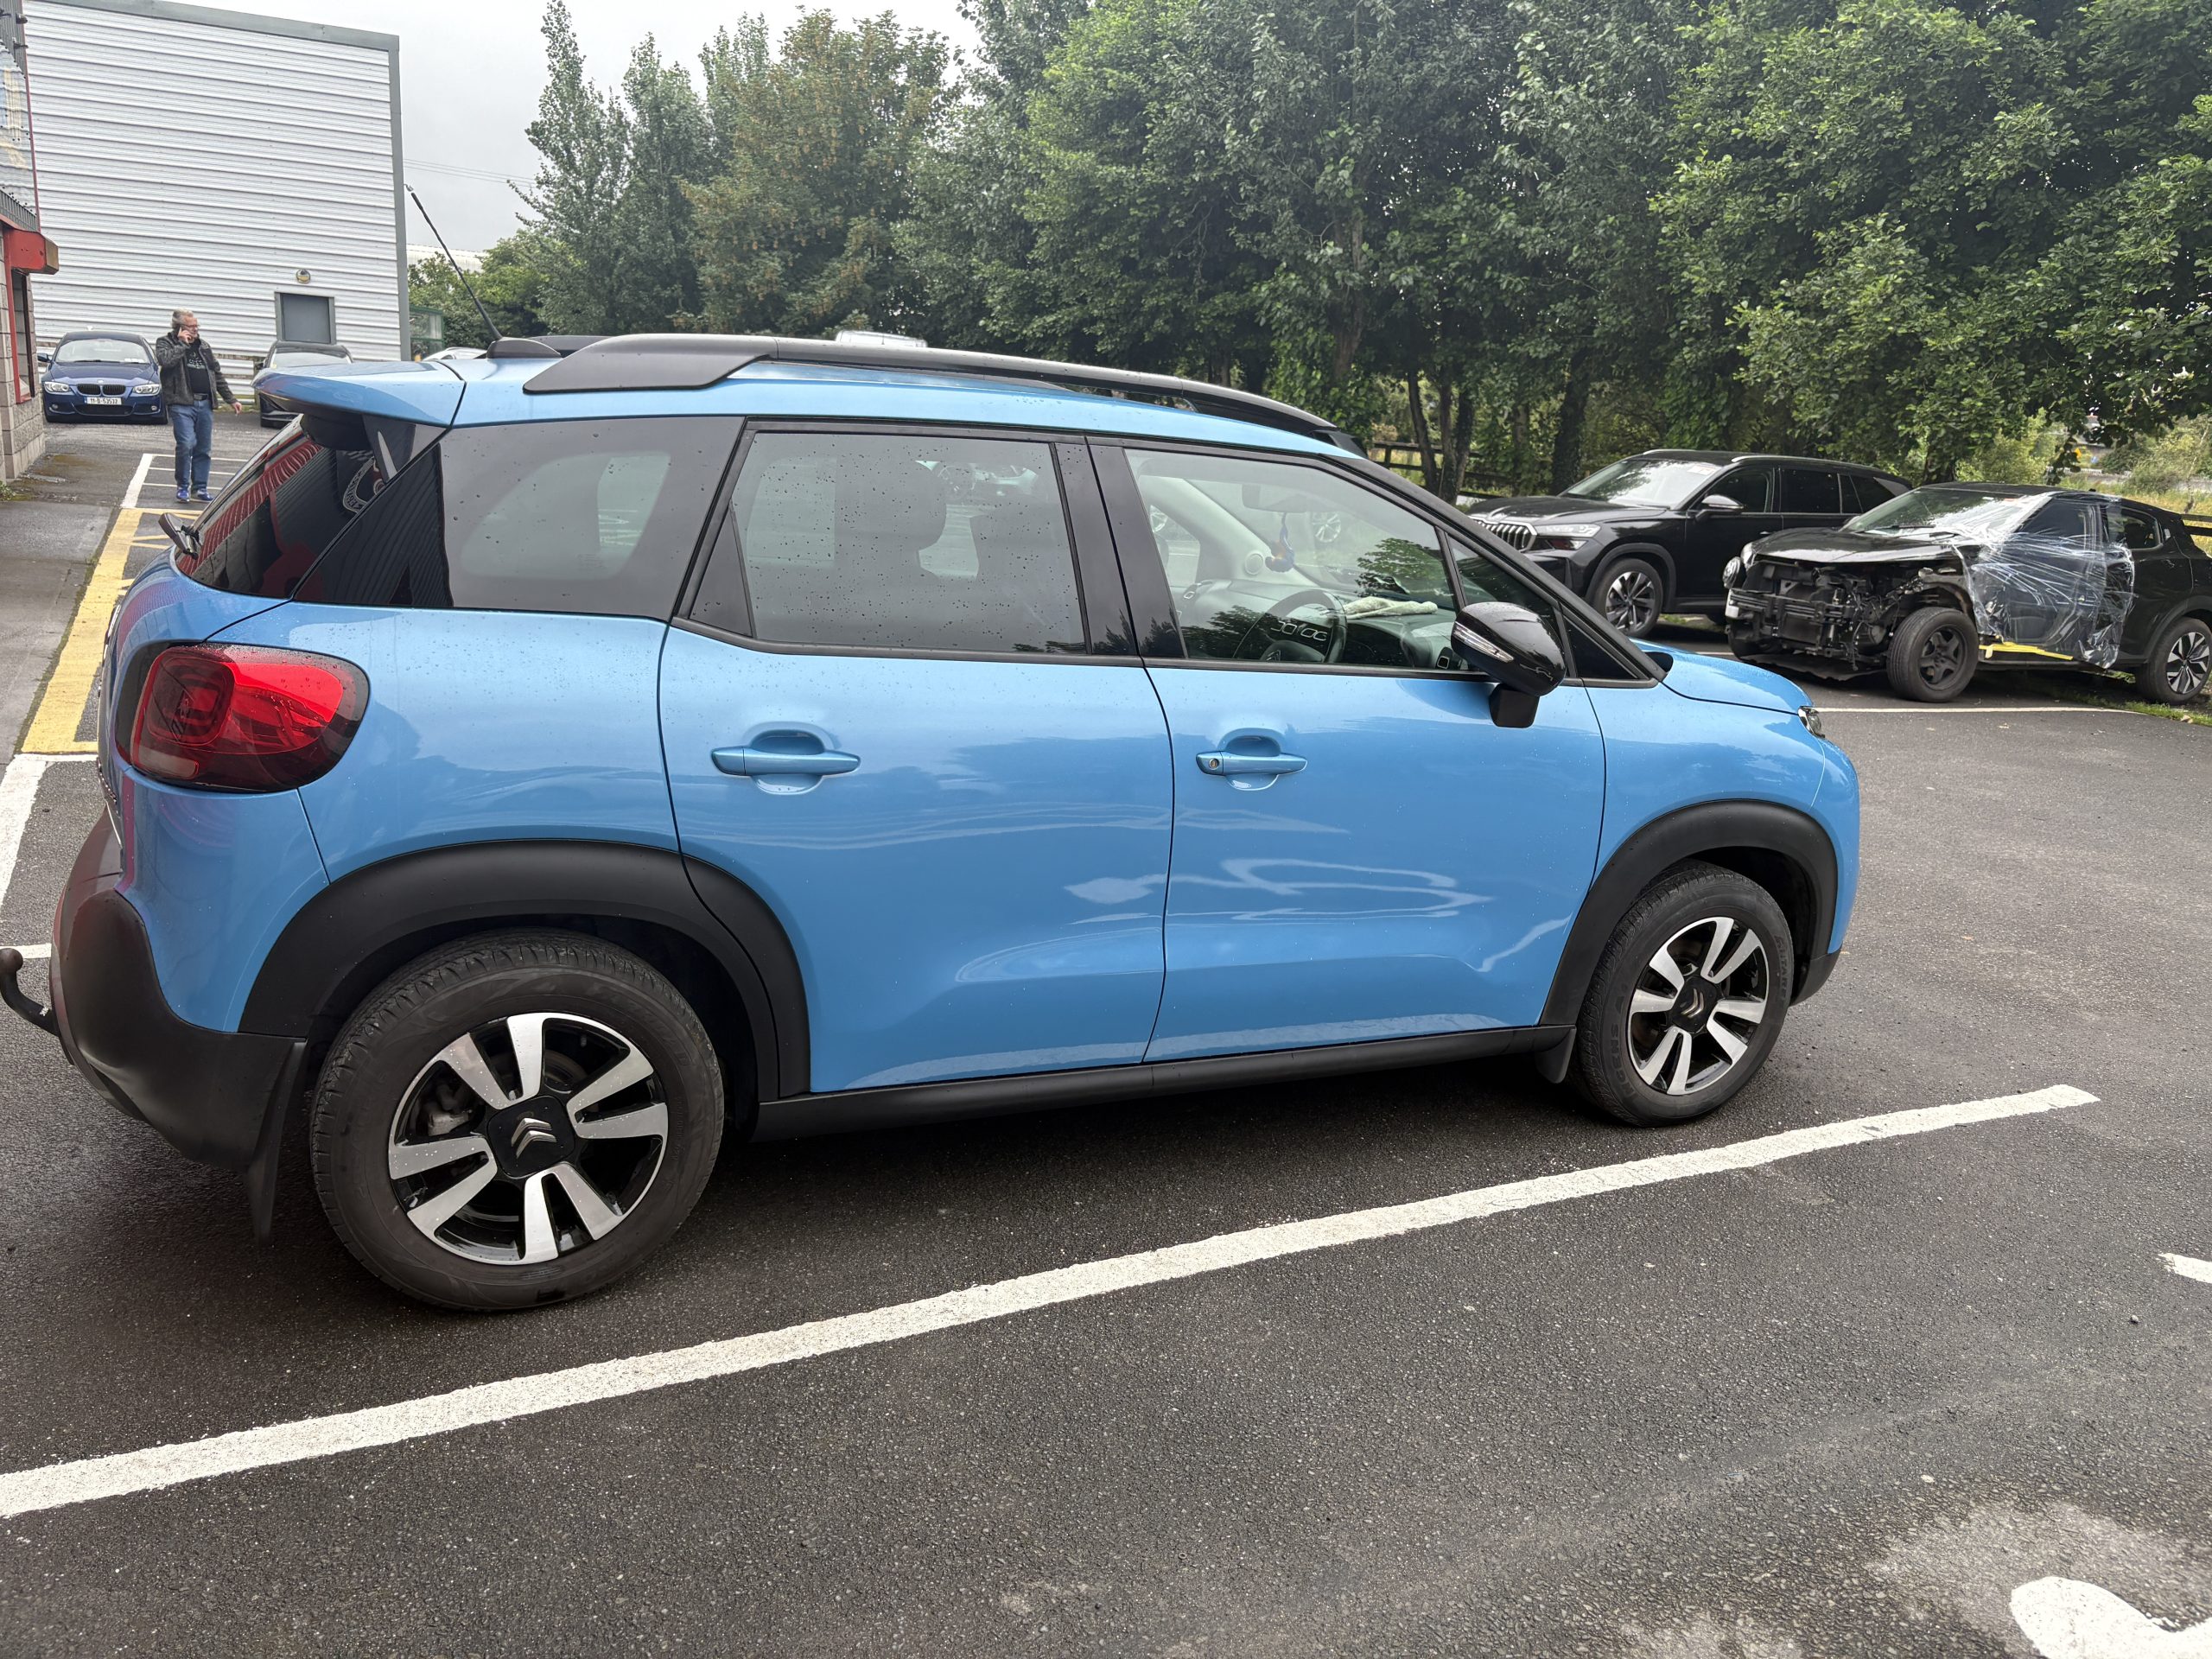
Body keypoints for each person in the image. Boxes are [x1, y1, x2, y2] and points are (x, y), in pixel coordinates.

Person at [154, 310, 243, 504]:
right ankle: (182, 487)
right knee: (186, 444)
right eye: (191, 326)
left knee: (204, 448)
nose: (195, 330)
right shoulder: (165, 343)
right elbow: (166, 362)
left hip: (205, 404)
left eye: (196, 326)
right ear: (179, 327)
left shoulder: (204, 346)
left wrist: (231, 399)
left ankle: (200, 488)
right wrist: (182, 344)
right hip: (181, 403)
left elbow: (216, 374)